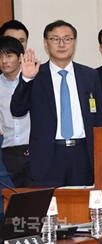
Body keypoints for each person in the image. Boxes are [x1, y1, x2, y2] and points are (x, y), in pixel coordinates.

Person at [11, 20, 102, 186]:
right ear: (46, 43)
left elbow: (99, 118)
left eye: (67, 39)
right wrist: (26, 79)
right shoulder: (35, 74)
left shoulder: (90, 75)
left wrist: (100, 155)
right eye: (55, 39)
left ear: (74, 43)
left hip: (83, 155)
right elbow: (17, 110)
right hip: (49, 156)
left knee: (82, 208)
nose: (61, 44)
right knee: (50, 209)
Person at [0, 36, 32, 187]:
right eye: (0, 56)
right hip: (6, 152)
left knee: (34, 203)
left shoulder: (33, 81)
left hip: (32, 150)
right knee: (9, 203)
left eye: (8, 55)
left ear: (20, 58)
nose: (4, 61)